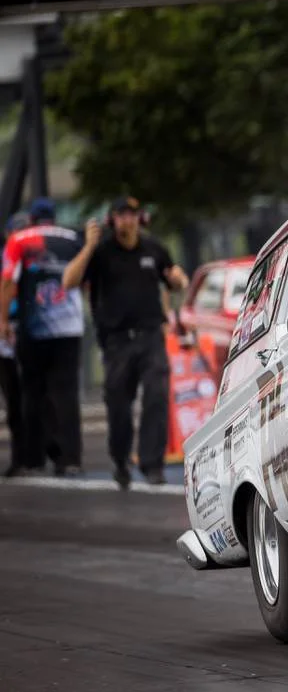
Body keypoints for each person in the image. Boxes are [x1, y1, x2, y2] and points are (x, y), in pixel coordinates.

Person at [62, 197, 188, 488]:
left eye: (131, 215)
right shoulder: (101, 252)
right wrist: (89, 246)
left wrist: (178, 278)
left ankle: (152, 464)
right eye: (120, 216)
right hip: (117, 342)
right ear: (112, 221)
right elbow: (68, 282)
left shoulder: (153, 248)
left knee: (156, 395)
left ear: (139, 218)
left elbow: (173, 279)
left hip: (151, 336)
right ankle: (120, 460)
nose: (126, 221)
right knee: (119, 405)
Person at [0, 198, 86, 477]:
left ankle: (32, 457)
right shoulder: (73, 238)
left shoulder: (18, 242)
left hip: (31, 328)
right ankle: (69, 457)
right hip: (68, 326)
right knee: (65, 395)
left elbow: (8, 282)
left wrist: (3, 320)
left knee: (30, 394)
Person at [0, 213, 29, 477]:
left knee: (21, 398)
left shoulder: (33, 259)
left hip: (23, 331)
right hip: (8, 332)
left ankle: (24, 457)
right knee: (14, 397)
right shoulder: (8, 256)